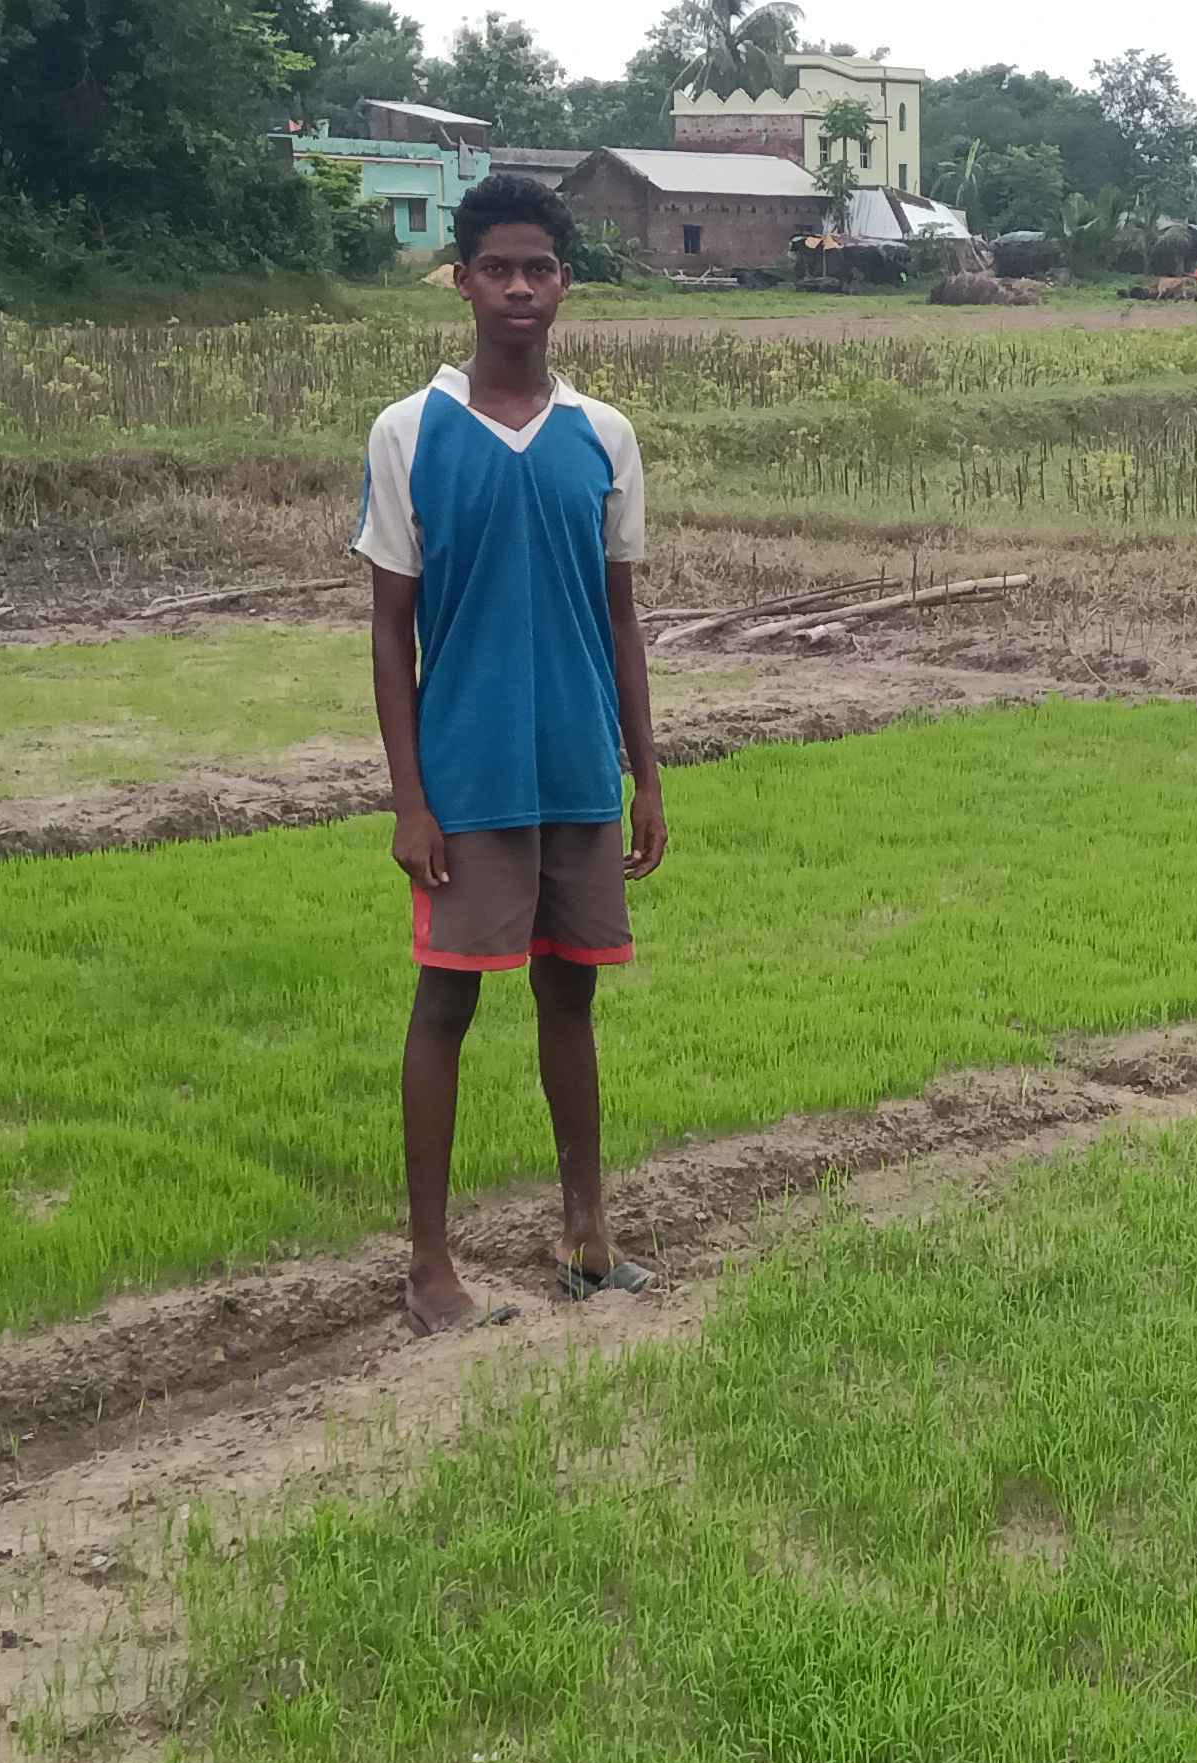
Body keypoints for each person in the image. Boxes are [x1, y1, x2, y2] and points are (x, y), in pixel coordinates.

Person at [351, 173, 666, 1334]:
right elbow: (389, 630)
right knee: (444, 1003)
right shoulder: (409, 432)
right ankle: (429, 1267)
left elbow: (620, 618)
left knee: (569, 995)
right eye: (498, 268)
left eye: (538, 268)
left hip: (577, 768)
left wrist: (645, 773)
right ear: (463, 281)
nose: (519, 288)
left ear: (565, 282)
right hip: (468, 776)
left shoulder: (603, 437)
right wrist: (409, 799)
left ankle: (586, 1235)